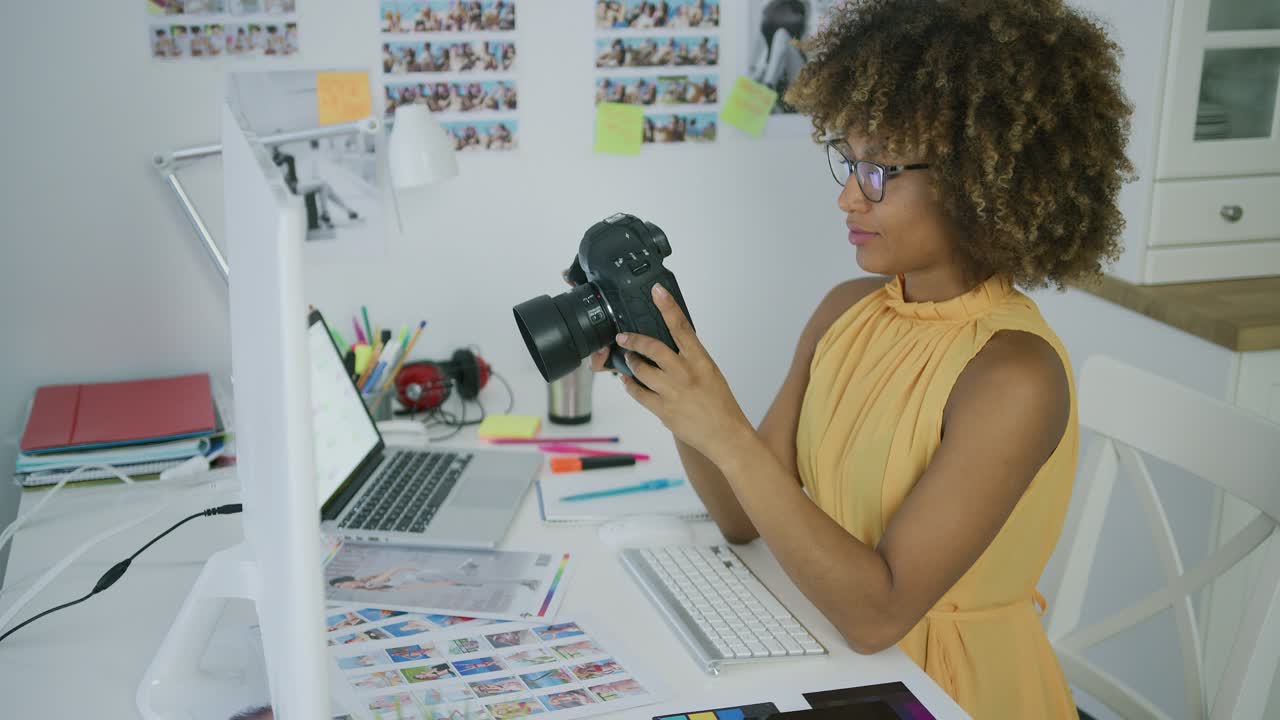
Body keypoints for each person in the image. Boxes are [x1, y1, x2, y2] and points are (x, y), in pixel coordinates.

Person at [582, 0, 1132, 717]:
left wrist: (722, 428)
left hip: (941, 690)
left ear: (978, 184)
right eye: (848, 160)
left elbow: (878, 617)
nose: (847, 195)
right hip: (835, 659)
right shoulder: (847, 310)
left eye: (878, 173)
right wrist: (679, 391)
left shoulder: (1013, 375)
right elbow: (743, 517)